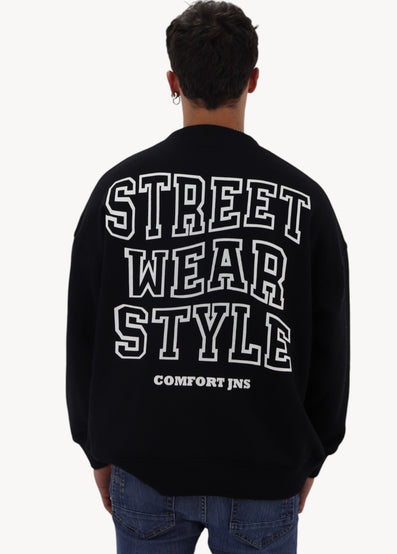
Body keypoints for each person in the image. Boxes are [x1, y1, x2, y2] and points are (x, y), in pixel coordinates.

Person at [65, 1, 350, 552]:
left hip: (144, 468)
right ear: (253, 79)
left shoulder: (117, 193)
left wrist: (96, 447)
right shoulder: (305, 201)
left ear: (173, 81)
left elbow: (84, 331)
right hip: (264, 469)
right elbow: (331, 344)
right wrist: (312, 454)